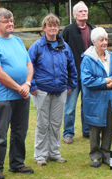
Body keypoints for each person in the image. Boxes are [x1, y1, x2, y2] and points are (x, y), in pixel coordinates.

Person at [0, 8, 35, 179]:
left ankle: (17, 163)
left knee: (20, 132)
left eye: (11, 20)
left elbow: (29, 65)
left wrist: (27, 84)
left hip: (22, 94)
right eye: (6, 21)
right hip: (3, 97)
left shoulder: (18, 41)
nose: (10, 23)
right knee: (0, 134)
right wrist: (18, 87)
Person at [29, 14, 76, 166]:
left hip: (60, 90)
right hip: (41, 90)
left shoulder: (64, 47)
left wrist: (70, 84)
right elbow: (29, 67)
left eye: (55, 26)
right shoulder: (37, 47)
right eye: (50, 26)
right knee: (43, 123)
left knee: (56, 123)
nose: (53, 28)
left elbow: (72, 67)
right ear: (44, 28)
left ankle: (54, 152)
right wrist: (33, 86)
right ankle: (40, 155)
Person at [81, 27, 112, 168]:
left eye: (106, 39)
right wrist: (106, 82)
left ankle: (106, 153)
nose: (105, 42)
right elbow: (86, 80)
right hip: (94, 100)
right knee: (94, 128)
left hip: (110, 99)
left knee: (108, 127)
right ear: (94, 42)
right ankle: (95, 156)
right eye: (101, 40)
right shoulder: (87, 59)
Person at [60, 1, 96, 142]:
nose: (83, 13)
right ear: (74, 14)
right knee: (70, 106)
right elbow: (62, 52)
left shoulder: (93, 29)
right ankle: (68, 133)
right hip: (73, 75)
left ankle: (87, 130)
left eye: (85, 11)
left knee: (87, 104)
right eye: (80, 11)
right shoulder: (68, 30)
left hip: (89, 75)